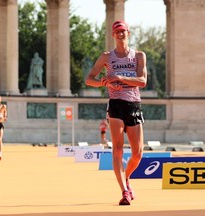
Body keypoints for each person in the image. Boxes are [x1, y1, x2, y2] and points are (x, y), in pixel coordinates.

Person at [86, 20, 147, 205]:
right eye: (117, 32)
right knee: (117, 150)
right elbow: (89, 79)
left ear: (128, 33)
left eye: (123, 31)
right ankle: (124, 191)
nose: (120, 34)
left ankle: (127, 178)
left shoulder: (138, 55)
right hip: (116, 104)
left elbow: (142, 81)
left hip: (134, 104)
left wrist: (119, 77)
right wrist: (104, 82)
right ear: (113, 35)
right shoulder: (106, 57)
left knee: (138, 153)